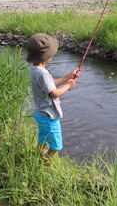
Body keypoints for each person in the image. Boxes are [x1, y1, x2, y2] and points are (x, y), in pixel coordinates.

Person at [26, 33, 81, 162]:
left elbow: (49, 86)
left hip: (40, 113)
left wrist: (69, 76)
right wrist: (68, 86)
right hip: (49, 116)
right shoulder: (42, 73)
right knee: (56, 147)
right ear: (46, 57)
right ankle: (45, 163)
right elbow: (53, 93)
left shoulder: (35, 70)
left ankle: (37, 159)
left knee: (43, 139)